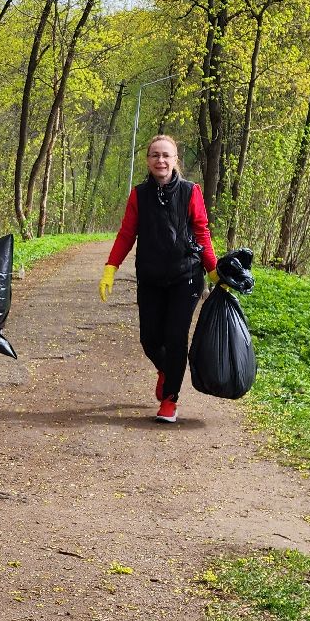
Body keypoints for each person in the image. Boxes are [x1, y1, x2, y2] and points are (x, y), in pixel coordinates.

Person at [98, 134, 218, 422]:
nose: (160, 160)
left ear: (175, 160)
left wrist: (213, 270)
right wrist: (111, 267)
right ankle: (167, 369)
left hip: (185, 277)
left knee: (176, 337)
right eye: (155, 155)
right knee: (150, 338)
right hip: (151, 277)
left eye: (166, 155)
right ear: (148, 160)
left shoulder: (191, 191)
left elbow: (201, 232)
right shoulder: (139, 194)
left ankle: (170, 399)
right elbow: (127, 234)